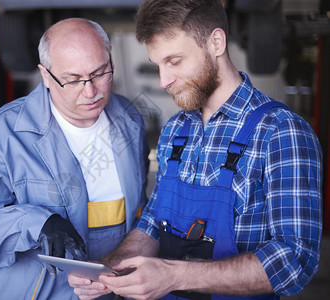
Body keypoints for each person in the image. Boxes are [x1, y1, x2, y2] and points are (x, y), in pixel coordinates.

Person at [68, 1, 323, 299]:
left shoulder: (280, 132)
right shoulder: (176, 129)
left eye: (174, 61)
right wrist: (109, 268)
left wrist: (173, 276)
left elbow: (295, 260)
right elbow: (153, 220)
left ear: (216, 42)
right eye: (158, 65)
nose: (164, 81)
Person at [0, 18, 149, 299]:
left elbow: (140, 206)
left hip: (112, 290)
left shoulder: (130, 120)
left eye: (100, 73)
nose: (90, 91)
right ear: (46, 76)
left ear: (111, 61)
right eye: (72, 80)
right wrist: (36, 224)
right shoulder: (0, 138)